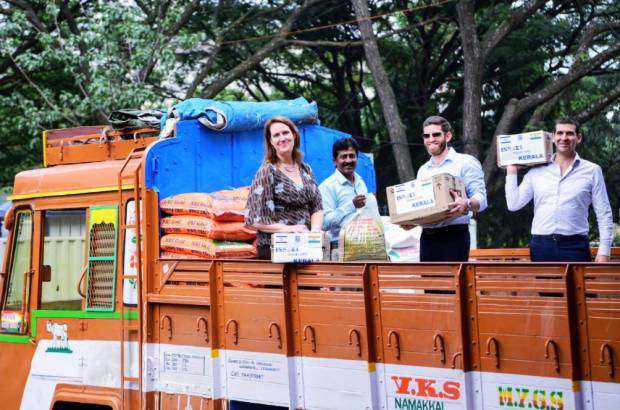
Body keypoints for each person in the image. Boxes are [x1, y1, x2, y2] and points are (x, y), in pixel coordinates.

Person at [505, 117, 613, 262]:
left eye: (569, 133)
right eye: (560, 133)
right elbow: (513, 204)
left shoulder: (592, 170)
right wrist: (511, 171)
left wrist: (604, 251)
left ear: (578, 138)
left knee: (577, 286)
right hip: (541, 246)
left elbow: (604, 213)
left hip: (575, 246)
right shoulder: (536, 171)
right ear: (553, 138)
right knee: (546, 286)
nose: (564, 138)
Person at [245, 116, 324, 260]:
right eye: (276, 135)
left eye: (285, 133)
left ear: (294, 134)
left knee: (314, 282)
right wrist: (289, 229)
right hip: (276, 249)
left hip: (306, 247)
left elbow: (317, 206)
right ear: (271, 142)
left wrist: (315, 231)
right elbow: (252, 220)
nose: (282, 138)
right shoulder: (267, 171)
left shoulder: (306, 170)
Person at [416, 115, 487, 261]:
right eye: (426, 136)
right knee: (429, 283)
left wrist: (466, 203)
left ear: (447, 136)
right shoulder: (423, 170)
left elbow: (482, 199)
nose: (431, 139)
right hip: (427, 237)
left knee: (453, 283)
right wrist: (411, 222)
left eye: (436, 134)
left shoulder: (465, 162)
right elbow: (422, 206)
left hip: (454, 236)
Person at [319, 137, 368, 258]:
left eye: (352, 156)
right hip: (339, 248)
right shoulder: (327, 187)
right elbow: (324, 223)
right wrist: (351, 206)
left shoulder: (361, 182)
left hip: (366, 245)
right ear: (335, 161)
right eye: (343, 156)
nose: (348, 160)